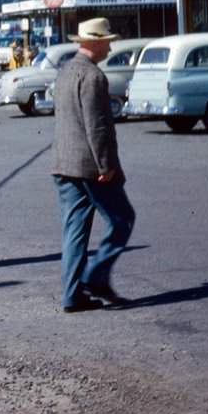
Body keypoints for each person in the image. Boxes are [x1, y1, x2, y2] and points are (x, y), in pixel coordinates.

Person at [51, 17, 136, 312]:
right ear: (96, 42)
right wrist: (105, 166)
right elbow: (96, 126)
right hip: (90, 168)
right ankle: (96, 277)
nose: (110, 47)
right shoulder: (94, 77)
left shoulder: (64, 72)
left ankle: (72, 295)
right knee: (122, 218)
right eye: (108, 41)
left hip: (63, 164)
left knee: (74, 230)